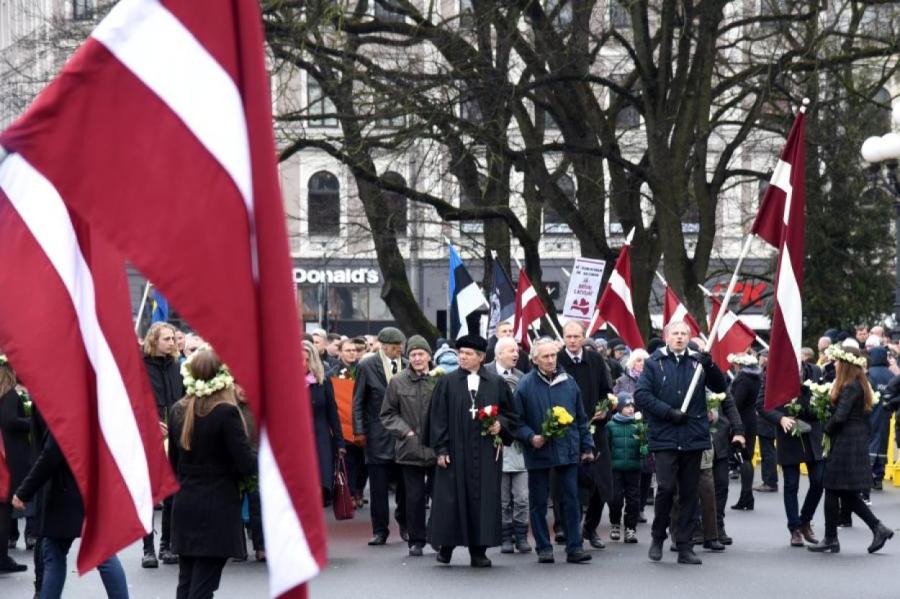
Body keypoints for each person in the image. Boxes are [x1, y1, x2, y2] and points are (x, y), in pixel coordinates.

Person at [634, 321, 727, 565]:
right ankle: (657, 536)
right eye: (675, 333)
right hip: (664, 434)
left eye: (683, 334)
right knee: (665, 488)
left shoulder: (698, 362)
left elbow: (721, 387)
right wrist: (668, 412)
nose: (679, 337)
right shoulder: (654, 363)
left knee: (689, 492)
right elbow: (641, 395)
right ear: (667, 337)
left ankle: (685, 545)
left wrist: (712, 366)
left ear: (689, 337)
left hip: (693, 435)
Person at [167, 349, 256, 598]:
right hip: (217, 504)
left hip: (185, 501)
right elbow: (245, 463)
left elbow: (173, 463)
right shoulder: (226, 413)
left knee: (186, 582)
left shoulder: (177, 410)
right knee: (203, 585)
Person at [424, 334, 518, 567]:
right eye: (460, 353)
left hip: (486, 452)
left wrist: (501, 425)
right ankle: (446, 547)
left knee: (483, 500)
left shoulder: (496, 383)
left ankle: (479, 550)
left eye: (467, 354)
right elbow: (438, 418)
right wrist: (441, 449)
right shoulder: (447, 382)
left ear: (481, 357)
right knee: (450, 500)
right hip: (455, 451)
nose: (462, 358)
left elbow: (511, 415)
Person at [12, 428, 129, 598]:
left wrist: (24, 491)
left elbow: (51, 454)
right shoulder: (92, 406)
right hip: (91, 489)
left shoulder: (66, 410)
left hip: (65, 494)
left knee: (54, 552)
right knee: (103, 554)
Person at [512, 337, 593, 565]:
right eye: (545, 356)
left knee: (571, 499)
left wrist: (587, 446)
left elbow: (581, 418)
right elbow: (516, 421)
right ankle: (544, 547)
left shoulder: (569, 382)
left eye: (553, 355)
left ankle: (574, 547)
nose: (550, 360)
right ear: (535, 359)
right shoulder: (525, 385)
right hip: (539, 451)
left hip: (567, 449)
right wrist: (531, 437)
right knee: (538, 502)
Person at [809, 346, 894, 554]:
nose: (835, 364)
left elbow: (840, 417)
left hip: (846, 442)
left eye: (838, 361)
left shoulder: (850, 386)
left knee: (832, 487)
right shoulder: (860, 384)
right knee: (845, 492)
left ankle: (831, 538)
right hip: (854, 440)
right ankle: (877, 528)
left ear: (845, 364)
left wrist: (825, 429)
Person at [556, 320, 612, 549]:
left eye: (576, 336)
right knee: (568, 484)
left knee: (601, 483)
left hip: (594, 430)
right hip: (565, 431)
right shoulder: (556, 359)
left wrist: (605, 410)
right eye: (568, 337)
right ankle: (568, 529)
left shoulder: (596, 360)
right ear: (563, 338)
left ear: (583, 337)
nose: (572, 341)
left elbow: (607, 392)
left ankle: (590, 528)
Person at [379, 335, 436, 557]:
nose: (417, 358)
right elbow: (387, 413)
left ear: (429, 356)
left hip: (435, 447)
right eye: (413, 354)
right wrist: (405, 431)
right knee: (414, 497)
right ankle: (416, 539)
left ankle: (436, 536)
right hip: (409, 448)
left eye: (421, 354)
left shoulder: (439, 379)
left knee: (439, 495)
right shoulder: (397, 381)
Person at [757, 360, 824, 547]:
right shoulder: (773, 371)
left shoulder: (814, 370)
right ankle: (794, 528)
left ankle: (805, 520)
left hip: (812, 432)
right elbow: (761, 404)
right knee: (791, 484)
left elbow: (822, 398)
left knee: (819, 480)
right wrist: (780, 418)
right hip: (788, 433)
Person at [352, 326, 408, 546]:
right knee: (378, 487)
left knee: (405, 484)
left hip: (404, 434)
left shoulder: (406, 364)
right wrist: (359, 431)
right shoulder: (367, 365)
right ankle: (380, 530)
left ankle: (405, 524)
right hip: (376, 434)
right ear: (383, 346)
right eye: (394, 347)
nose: (398, 351)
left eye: (400, 347)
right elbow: (358, 401)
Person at [141, 322, 184, 568]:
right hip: (149, 437)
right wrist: (151, 422)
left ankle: (166, 545)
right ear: (154, 340)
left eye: (172, 338)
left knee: (172, 492)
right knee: (149, 493)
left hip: (175, 436)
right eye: (166, 339)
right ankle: (147, 549)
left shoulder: (177, 368)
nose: (172, 342)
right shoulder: (139, 367)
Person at [486, 337, 530, 554]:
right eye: (511, 350)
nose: (516, 354)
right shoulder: (485, 375)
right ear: (498, 354)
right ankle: (504, 536)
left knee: (522, 496)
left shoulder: (523, 378)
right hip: (495, 445)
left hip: (519, 445)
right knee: (502, 497)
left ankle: (521, 536)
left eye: (517, 350)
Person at [303, 340, 345, 505]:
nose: (303, 363)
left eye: (307, 359)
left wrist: (340, 443)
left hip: (320, 439)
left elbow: (333, 414)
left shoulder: (322, 382)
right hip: (297, 441)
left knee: (320, 486)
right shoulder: (287, 383)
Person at [328, 339, 367, 508]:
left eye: (355, 350)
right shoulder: (332, 373)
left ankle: (359, 489)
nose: (352, 353)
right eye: (348, 350)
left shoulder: (365, 370)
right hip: (343, 423)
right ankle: (350, 492)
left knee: (364, 461)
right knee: (349, 461)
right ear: (341, 352)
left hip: (362, 423)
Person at [0, 357, 28, 572]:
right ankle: (3, 557)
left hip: (4, 451)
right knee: (5, 506)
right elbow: (10, 420)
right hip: (11, 454)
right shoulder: (10, 396)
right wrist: (30, 422)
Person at [606, 397, 644, 544]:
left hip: (633, 468)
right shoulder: (610, 426)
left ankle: (630, 528)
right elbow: (607, 447)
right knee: (615, 498)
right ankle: (615, 523)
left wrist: (644, 446)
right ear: (620, 407)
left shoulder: (638, 425)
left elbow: (644, 443)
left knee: (633, 499)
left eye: (632, 406)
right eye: (627, 406)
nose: (630, 409)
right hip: (615, 469)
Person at [729, 353, 762, 511]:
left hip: (742, 420)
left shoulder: (743, 379)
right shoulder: (755, 377)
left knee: (744, 458)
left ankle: (746, 496)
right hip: (750, 419)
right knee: (746, 456)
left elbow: (736, 402)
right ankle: (747, 496)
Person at [865, 346, 893, 491]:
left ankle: (867, 475)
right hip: (886, 415)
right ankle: (878, 477)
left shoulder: (869, 374)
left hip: (870, 414)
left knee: (869, 443)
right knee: (882, 444)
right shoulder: (891, 375)